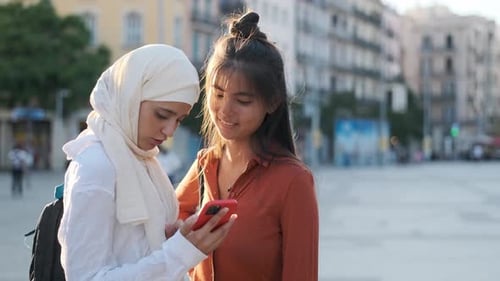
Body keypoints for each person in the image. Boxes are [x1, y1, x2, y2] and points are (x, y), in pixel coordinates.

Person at [57, 44, 236, 281]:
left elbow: (132, 251)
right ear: (131, 95)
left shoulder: (142, 159)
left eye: (179, 120)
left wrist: (172, 239)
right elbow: (85, 277)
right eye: (162, 115)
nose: (169, 130)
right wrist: (180, 252)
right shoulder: (96, 165)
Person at [175, 11, 319, 281]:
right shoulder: (206, 164)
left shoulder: (294, 182)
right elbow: (168, 220)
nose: (225, 111)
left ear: (273, 102)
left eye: (242, 101)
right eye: (217, 94)